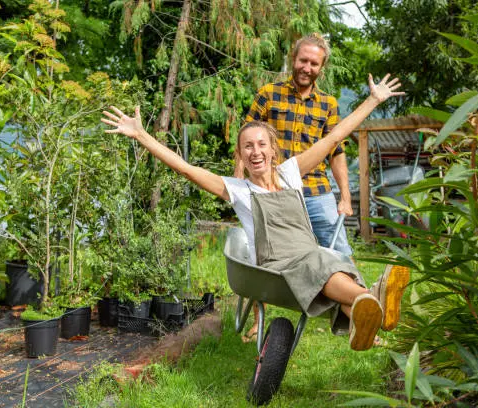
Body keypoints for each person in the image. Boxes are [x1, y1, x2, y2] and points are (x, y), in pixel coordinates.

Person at [101, 74, 408, 352]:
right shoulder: (236, 190)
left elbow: (333, 137)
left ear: (273, 150)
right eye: (247, 147)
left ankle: (363, 317)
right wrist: (141, 135)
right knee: (322, 260)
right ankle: (372, 299)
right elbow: (185, 167)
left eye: (262, 144)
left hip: (308, 257)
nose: (256, 151)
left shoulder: (291, 173)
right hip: (275, 266)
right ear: (241, 156)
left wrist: (373, 99)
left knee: (329, 259)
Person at [244, 33, 354, 255]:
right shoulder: (269, 94)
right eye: (303, 60)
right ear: (293, 58)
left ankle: (358, 290)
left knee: (339, 251)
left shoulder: (328, 104)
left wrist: (345, 196)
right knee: (279, 253)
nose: (307, 68)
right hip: (276, 191)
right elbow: (245, 141)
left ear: (321, 69)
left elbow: (336, 152)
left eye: (314, 64)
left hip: (317, 191)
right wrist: (241, 183)